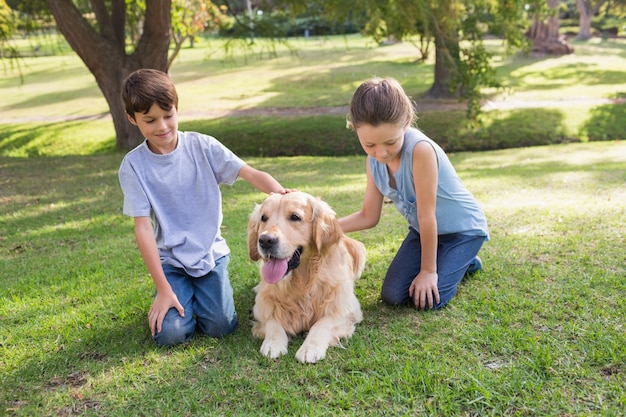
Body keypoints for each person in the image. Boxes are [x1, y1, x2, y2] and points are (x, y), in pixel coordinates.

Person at [118, 68, 290, 346]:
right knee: (171, 335)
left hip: (211, 255)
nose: (162, 126)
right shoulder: (133, 166)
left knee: (221, 326)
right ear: (132, 119)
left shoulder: (203, 146)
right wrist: (163, 289)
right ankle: (177, 293)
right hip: (171, 262)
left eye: (168, 115)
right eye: (150, 120)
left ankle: (197, 296)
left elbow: (250, 173)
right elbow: (143, 229)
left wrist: (281, 193)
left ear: (176, 109)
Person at [338, 77, 489, 310]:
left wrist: (429, 271)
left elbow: (427, 215)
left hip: (462, 231)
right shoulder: (373, 162)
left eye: (390, 142)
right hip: (424, 232)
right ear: (354, 128)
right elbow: (369, 215)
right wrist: (324, 228)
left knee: (430, 301)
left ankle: (465, 260)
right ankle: (449, 260)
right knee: (393, 296)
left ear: (406, 123)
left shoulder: (420, 151)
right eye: (370, 145)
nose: (381, 152)